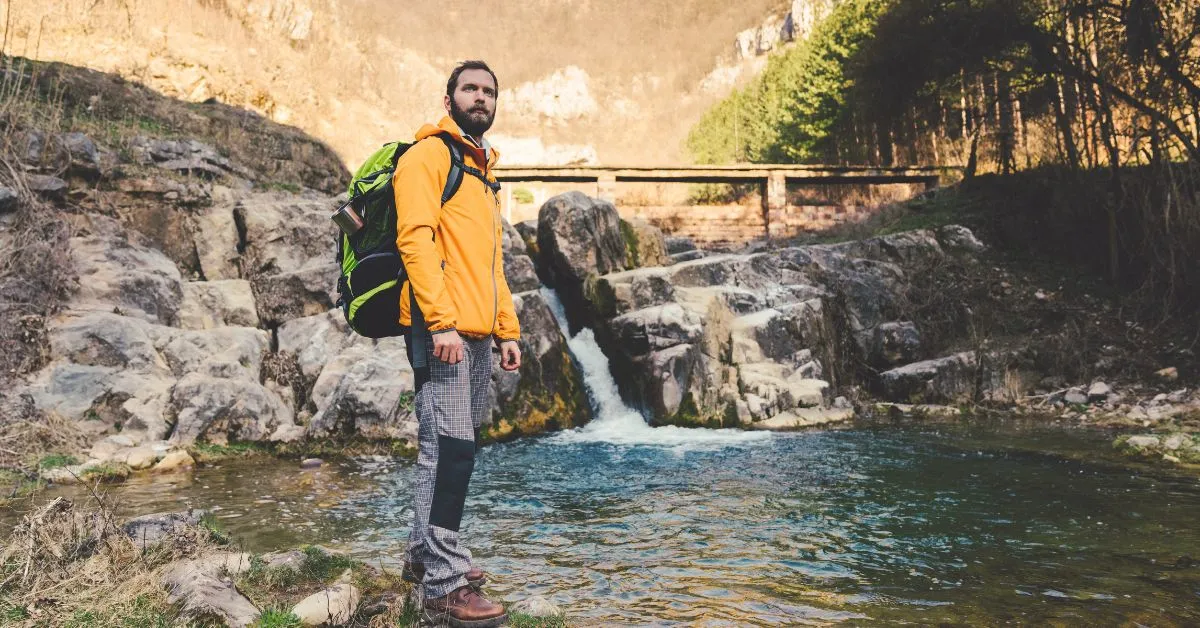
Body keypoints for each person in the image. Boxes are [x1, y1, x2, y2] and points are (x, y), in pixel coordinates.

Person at [394, 60, 521, 627]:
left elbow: (491, 265)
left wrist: (507, 329)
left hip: (474, 333)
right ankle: (444, 585)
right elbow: (414, 241)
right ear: (448, 99)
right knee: (453, 453)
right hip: (441, 331)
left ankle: (426, 557)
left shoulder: (482, 175)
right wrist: (439, 322)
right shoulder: (429, 157)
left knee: (440, 453)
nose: (480, 97)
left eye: (488, 91)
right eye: (470, 89)